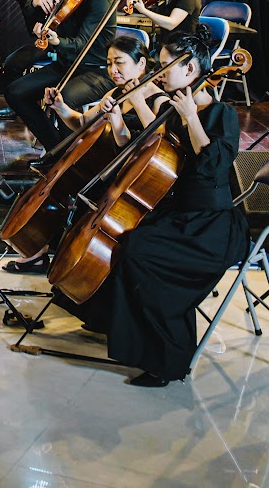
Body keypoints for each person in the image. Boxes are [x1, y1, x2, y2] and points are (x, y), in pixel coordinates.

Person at [54, 27, 247, 387]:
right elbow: (149, 154)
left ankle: (167, 360)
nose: (159, 74)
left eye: (164, 67)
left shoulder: (222, 113)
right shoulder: (173, 110)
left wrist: (191, 117)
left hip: (212, 227)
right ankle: (110, 322)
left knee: (140, 252)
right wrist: (117, 119)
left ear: (190, 70)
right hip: (180, 215)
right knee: (126, 238)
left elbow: (213, 167)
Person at [4, 33, 150, 275]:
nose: (113, 70)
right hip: (104, 169)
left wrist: (118, 122)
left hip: (128, 176)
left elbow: (146, 143)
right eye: (109, 64)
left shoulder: (154, 98)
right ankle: (41, 251)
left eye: (120, 62)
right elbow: (81, 120)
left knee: (72, 187)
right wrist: (60, 107)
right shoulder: (115, 93)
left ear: (141, 64)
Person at [4, 0, 118, 151]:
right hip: (67, 65)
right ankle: (57, 149)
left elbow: (83, 43)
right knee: (15, 91)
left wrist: (56, 40)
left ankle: (68, 158)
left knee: (63, 98)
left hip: (95, 70)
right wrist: (40, 12)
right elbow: (26, 0)